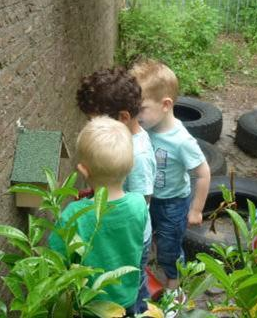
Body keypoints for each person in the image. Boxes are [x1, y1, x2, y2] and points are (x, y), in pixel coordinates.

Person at [76, 68, 156, 313]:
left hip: (130, 233)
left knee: (133, 283)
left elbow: (142, 201)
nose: (91, 127)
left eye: (94, 121)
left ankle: (138, 309)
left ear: (122, 117)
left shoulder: (139, 155)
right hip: (122, 223)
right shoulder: (121, 141)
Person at [48, 116, 148, 312]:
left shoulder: (73, 215)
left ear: (83, 171)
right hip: (128, 297)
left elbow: (55, 261)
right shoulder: (139, 204)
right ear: (131, 166)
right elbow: (141, 244)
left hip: (90, 305)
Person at [130, 59, 211, 291]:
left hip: (173, 204)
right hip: (150, 198)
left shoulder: (181, 141)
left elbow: (203, 172)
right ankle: (156, 264)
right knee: (152, 237)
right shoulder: (144, 128)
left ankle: (175, 286)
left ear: (165, 105)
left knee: (170, 247)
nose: (137, 115)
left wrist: (196, 209)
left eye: (141, 108)